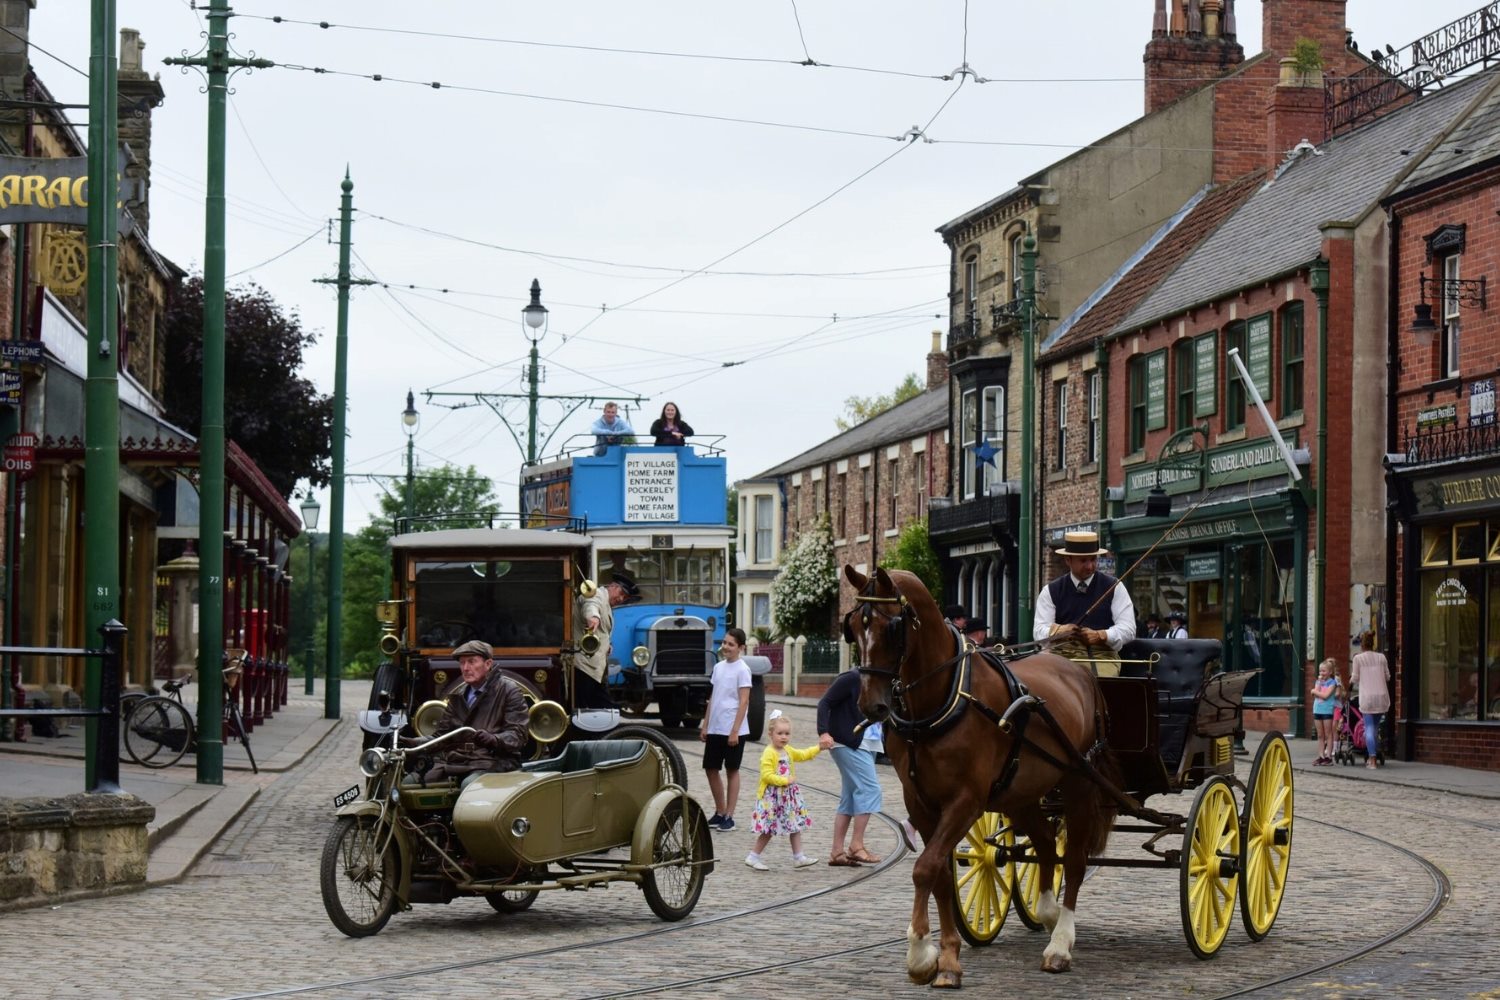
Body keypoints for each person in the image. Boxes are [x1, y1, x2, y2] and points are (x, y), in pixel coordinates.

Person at [418, 639, 529, 785]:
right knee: (413, 782)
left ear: (488, 664)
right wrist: (413, 743)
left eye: (471, 662)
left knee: (469, 785)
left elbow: (518, 735)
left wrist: (494, 739)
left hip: (495, 762)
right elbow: (441, 737)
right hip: (459, 762)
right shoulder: (458, 695)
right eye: (462, 663)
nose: (465, 668)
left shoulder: (509, 690)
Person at [1033, 530, 1136, 676]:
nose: (1090, 566)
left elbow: (1129, 629)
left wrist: (1102, 635)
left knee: (1095, 684)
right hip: (1061, 658)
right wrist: (1059, 631)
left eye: (1093, 559)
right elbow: (1038, 631)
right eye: (1083, 561)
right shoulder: (1050, 591)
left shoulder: (1115, 587)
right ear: (1068, 560)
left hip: (1102, 658)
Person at [817, 668, 882, 866]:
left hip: (866, 742)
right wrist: (823, 732)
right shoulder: (853, 677)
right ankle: (856, 846)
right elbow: (824, 702)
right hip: (848, 741)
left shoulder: (881, 681)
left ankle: (837, 852)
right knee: (870, 789)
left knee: (850, 796)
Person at [745, 711, 821, 870]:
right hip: (772, 798)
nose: (784, 737)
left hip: (787, 797)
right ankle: (753, 857)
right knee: (768, 829)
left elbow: (802, 754)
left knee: (795, 825)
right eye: (779, 733)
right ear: (771, 734)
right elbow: (766, 775)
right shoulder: (769, 752)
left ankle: (799, 857)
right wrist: (784, 780)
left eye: (787, 733)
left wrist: (819, 747)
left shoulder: (788, 750)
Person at [700, 627, 752, 831]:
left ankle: (729, 815)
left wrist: (735, 730)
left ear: (740, 647)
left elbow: (744, 701)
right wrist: (705, 725)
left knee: (732, 770)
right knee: (711, 768)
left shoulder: (743, 669)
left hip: (733, 729)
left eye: (731, 644)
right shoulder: (719, 667)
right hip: (715, 727)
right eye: (724, 643)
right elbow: (713, 697)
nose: (726, 647)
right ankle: (720, 811)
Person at [574, 572, 641, 708]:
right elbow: (591, 604)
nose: (621, 599)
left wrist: (607, 645)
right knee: (587, 708)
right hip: (585, 666)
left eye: (625, 597)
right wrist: (593, 617)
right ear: (612, 586)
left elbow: (602, 632)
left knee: (601, 707)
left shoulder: (606, 603)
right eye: (621, 593)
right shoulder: (596, 594)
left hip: (595, 668)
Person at [1350, 631, 1391, 769]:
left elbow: (1354, 678)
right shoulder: (1381, 657)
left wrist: (1348, 684)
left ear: (1361, 644)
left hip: (1367, 697)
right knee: (1375, 727)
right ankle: (1373, 756)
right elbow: (1388, 677)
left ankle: (1372, 759)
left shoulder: (1358, 658)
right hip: (1381, 696)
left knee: (1369, 728)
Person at [1312, 658, 1340, 765]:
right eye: (1320, 671)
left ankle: (1328, 757)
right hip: (1317, 710)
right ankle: (1321, 756)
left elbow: (1325, 696)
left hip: (1327, 711)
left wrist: (1314, 691)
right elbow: (1316, 694)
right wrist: (1317, 685)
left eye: (1324, 671)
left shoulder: (1332, 683)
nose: (1321, 673)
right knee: (1320, 735)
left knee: (1328, 734)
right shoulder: (1318, 682)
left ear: (1330, 672)